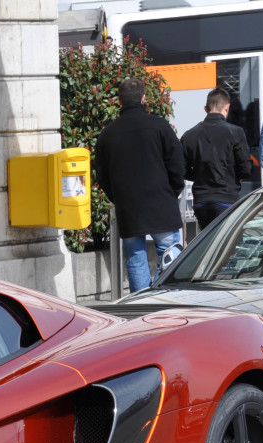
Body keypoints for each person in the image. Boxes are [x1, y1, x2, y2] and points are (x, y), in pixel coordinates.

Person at [94, 77, 186, 292]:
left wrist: (118, 198)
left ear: (119, 101)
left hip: (129, 207)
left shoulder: (107, 135)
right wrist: (172, 191)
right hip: (161, 203)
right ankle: (168, 301)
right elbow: (177, 164)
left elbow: (102, 175)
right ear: (144, 98)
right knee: (170, 254)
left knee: (135, 258)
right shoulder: (160, 126)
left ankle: (141, 306)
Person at [181, 87, 254, 229]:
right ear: (227, 107)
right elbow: (246, 169)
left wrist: (198, 175)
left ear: (205, 108)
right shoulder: (236, 132)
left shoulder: (189, 135)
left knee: (209, 244)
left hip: (201, 201)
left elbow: (181, 169)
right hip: (226, 199)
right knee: (227, 246)